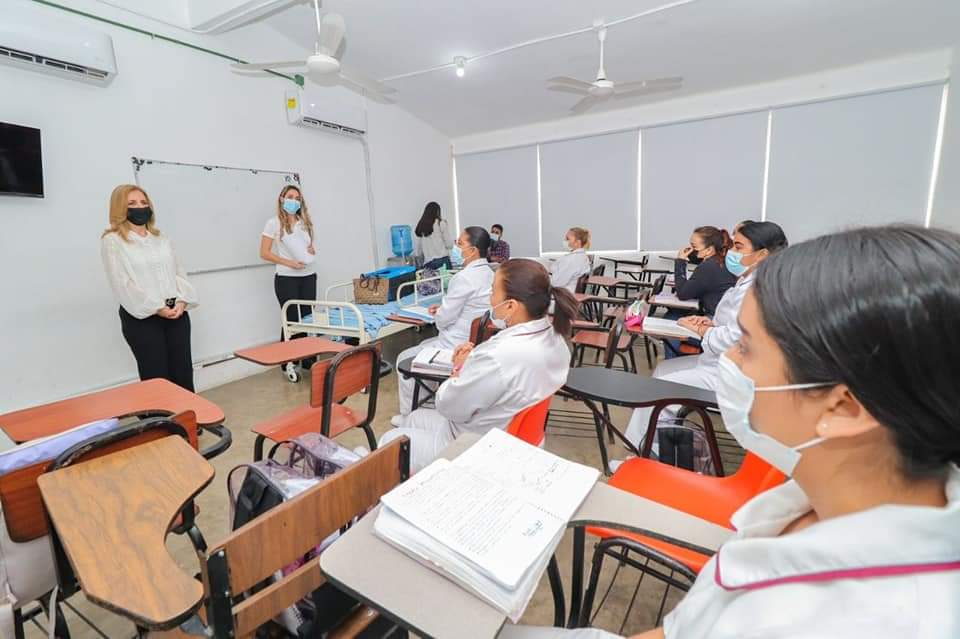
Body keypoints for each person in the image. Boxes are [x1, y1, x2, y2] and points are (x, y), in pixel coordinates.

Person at [499, 225, 960, 639]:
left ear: (843, 406)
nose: (731, 363)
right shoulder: (826, 494)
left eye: (746, 347)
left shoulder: (861, 619)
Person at [382, 259, 577, 471]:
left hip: (477, 448)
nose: (490, 299)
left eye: (493, 291)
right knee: (415, 418)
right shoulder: (555, 338)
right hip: (515, 436)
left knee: (389, 441)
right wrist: (474, 364)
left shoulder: (498, 356)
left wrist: (458, 368)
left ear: (511, 306)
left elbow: (449, 406)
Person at [624, 222, 789, 452]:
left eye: (739, 246)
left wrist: (705, 331)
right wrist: (711, 323)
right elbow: (736, 323)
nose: (731, 251)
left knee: (659, 390)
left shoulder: (759, 288)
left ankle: (643, 452)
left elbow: (737, 338)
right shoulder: (747, 279)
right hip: (723, 361)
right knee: (664, 370)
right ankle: (654, 445)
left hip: (736, 374)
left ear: (761, 254)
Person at [392, 227, 495, 425]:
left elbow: (443, 320)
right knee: (424, 344)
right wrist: (443, 306)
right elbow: (471, 305)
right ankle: (430, 396)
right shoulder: (488, 274)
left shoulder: (463, 277)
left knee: (403, 358)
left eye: (460, 244)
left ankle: (407, 416)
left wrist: (440, 312)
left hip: (454, 345)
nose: (456, 247)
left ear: (473, 250)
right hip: (474, 342)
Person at [101, 184, 198, 391]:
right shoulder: (113, 241)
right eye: (132, 204)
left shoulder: (161, 238)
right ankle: (161, 423)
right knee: (156, 378)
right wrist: (156, 307)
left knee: (183, 373)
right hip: (143, 318)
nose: (140, 207)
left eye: (144, 203)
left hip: (176, 313)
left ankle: (189, 421)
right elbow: (121, 283)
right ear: (120, 208)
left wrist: (182, 300)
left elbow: (179, 272)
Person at [259, 184, 318, 374]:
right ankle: (288, 361)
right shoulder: (273, 223)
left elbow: (308, 247)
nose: (294, 200)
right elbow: (264, 253)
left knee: (307, 319)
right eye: (290, 196)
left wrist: (311, 250)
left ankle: (306, 356)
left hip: (308, 276)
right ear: (282, 198)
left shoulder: (304, 222)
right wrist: (288, 262)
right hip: (287, 278)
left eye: (297, 198)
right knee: (291, 320)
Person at [673, 225, 737, 316]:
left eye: (694, 247)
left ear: (709, 250)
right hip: (721, 314)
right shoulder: (721, 260)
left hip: (713, 317)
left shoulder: (709, 266)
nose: (690, 250)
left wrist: (680, 261)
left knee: (673, 315)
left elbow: (683, 294)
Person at [550, 227, 592, 293]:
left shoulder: (571, 260)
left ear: (577, 242)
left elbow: (556, 284)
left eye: (568, 239)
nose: (565, 241)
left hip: (563, 296)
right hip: (569, 293)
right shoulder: (583, 257)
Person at [414, 201, 453, 270]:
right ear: (437, 212)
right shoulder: (440, 223)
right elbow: (449, 244)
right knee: (447, 280)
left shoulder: (421, 226)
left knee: (432, 281)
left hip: (429, 264)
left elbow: (418, 252)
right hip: (443, 261)